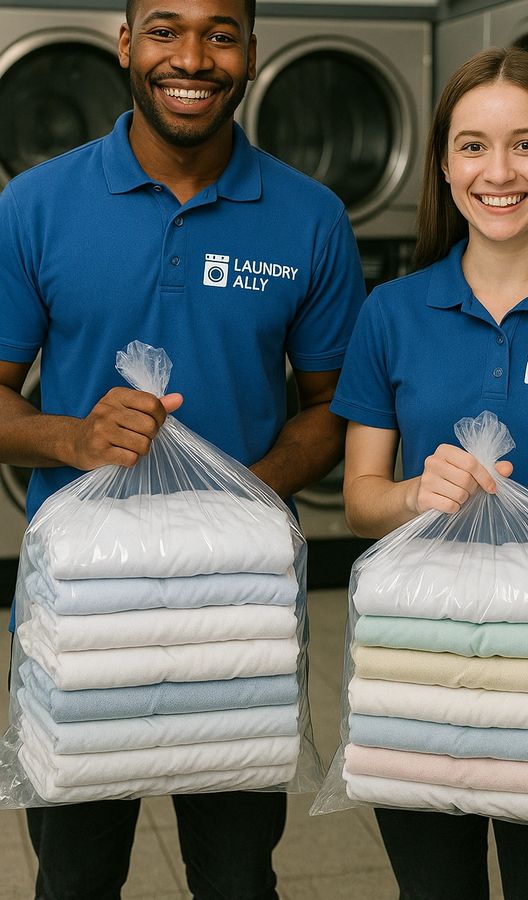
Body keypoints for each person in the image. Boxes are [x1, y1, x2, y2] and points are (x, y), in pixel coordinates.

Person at [0, 0, 365, 897]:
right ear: (126, 45)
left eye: (220, 33)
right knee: (75, 878)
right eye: (164, 30)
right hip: (85, 614)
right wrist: (71, 434)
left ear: (250, 50)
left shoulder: (310, 218)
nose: (191, 58)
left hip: (235, 609)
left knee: (239, 876)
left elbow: (336, 408)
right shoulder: (36, 204)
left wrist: (248, 490)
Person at [330, 47, 528, 900]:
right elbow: (360, 503)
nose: (499, 171)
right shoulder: (393, 314)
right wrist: (415, 493)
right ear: (444, 165)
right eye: (474, 146)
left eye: (526, 144)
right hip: (425, 665)